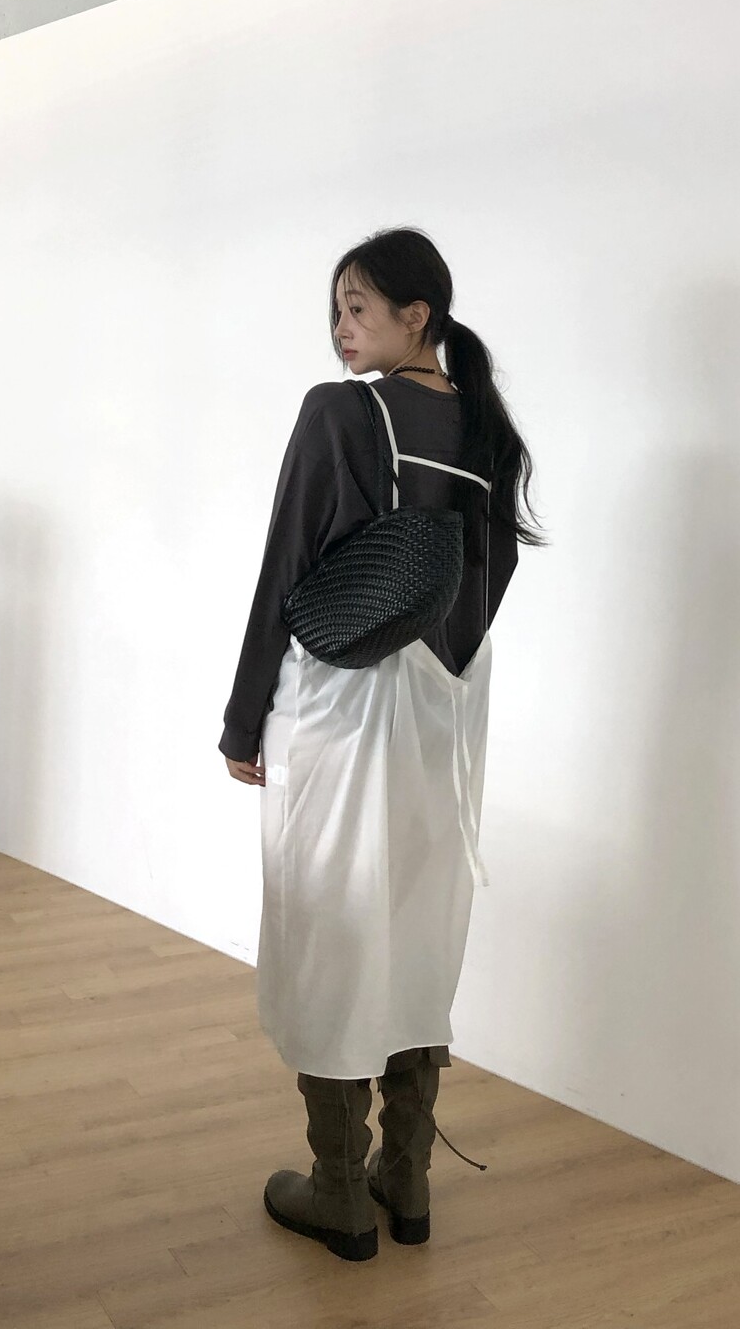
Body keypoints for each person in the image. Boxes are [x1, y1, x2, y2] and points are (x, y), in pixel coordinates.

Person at [220, 226, 546, 1263]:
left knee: (328, 922)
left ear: (419, 315)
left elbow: (287, 565)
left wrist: (242, 717)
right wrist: (439, 666)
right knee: (416, 922)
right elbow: (486, 581)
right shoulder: (487, 428)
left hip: (341, 703)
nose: (340, 326)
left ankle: (339, 1192)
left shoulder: (340, 412)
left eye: (358, 306)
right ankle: (406, 1180)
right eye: (335, 308)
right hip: (448, 709)